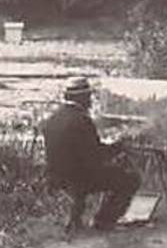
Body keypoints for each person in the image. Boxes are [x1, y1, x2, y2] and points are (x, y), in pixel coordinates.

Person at [41, 77, 141, 231]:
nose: (91, 100)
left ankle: (81, 220)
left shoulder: (53, 118)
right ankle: (104, 221)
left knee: (112, 173)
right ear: (81, 97)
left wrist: (107, 150)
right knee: (130, 179)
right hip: (78, 178)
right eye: (89, 96)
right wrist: (118, 147)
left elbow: (82, 152)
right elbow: (95, 158)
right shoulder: (82, 120)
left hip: (55, 176)